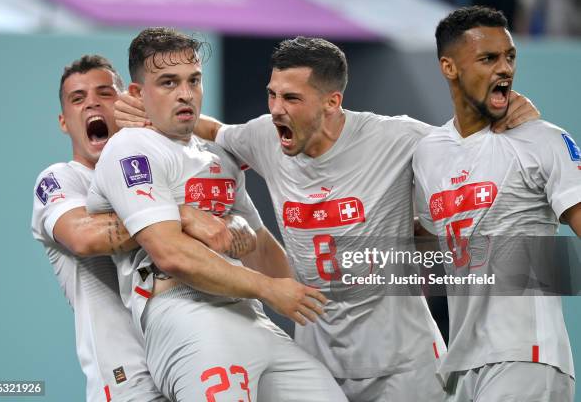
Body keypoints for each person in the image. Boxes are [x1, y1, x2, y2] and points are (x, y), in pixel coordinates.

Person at [115, 35, 541, 401]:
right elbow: (212, 129)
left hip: (403, 361)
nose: (276, 109)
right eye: (272, 94)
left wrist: (510, 121)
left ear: (333, 102)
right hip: (321, 355)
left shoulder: (397, 138)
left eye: (292, 98)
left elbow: (475, 151)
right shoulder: (264, 135)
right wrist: (147, 113)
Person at [86, 28, 347, 402]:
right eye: (168, 83)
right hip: (186, 315)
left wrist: (318, 306)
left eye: (194, 80)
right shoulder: (132, 148)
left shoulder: (217, 155)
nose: (185, 93)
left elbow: (259, 246)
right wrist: (268, 288)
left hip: (249, 312)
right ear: (138, 95)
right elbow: (171, 253)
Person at [412, 6, 581, 401]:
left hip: (527, 356)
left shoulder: (543, 140)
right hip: (462, 364)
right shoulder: (428, 152)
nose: (505, 68)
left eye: (510, 57)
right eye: (488, 59)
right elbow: (426, 239)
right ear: (449, 68)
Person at [31, 55, 168, 401]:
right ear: (64, 122)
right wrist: (173, 218)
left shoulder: (161, 170)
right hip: (128, 379)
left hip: (190, 358)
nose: (92, 101)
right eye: (78, 98)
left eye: (105, 93)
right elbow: (83, 235)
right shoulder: (60, 179)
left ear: (127, 103)